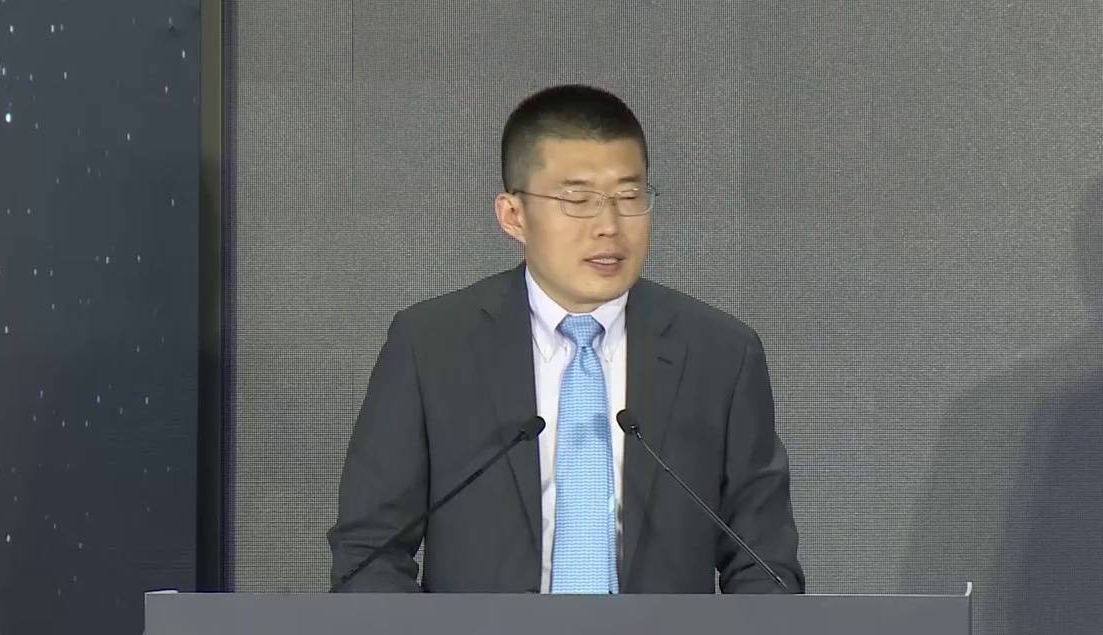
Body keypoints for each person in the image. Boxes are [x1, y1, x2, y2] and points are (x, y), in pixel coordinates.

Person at [327, 84, 804, 594]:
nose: (609, 226)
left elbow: (765, 565)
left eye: (629, 197)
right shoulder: (430, 346)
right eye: (578, 200)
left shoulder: (720, 355)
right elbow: (370, 553)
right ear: (513, 216)